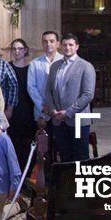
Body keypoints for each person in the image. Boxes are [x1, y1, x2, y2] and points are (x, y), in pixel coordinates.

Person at [44, 33, 96, 162]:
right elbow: (48, 90)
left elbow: (88, 94)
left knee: (81, 157)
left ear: (77, 46)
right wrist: (53, 110)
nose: (67, 48)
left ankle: (80, 182)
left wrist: (68, 112)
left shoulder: (86, 66)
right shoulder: (55, 66)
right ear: (61, 46)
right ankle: (67, 182)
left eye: (71, 45)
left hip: (78, 119)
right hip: (58, 119)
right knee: (64, 155)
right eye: (65, 45)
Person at [7, 38, 36, 170]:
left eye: (20, 49)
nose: (17, 51)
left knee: (28, 142)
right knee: (14, 143)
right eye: (14, 49)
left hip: (28, 109)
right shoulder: (7, 67)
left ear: (25, 50)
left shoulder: (31, 68)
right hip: (11, 110)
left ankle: (28, 173)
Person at [28, 30, 62, 122]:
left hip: (61, 109)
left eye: (52, 41)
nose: (48, 44)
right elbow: (31, 87)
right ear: (42, 44)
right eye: (45, 41)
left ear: (58, 43)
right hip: (42, 110)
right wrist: (42, 105)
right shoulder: (34, 63)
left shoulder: (65, 61)